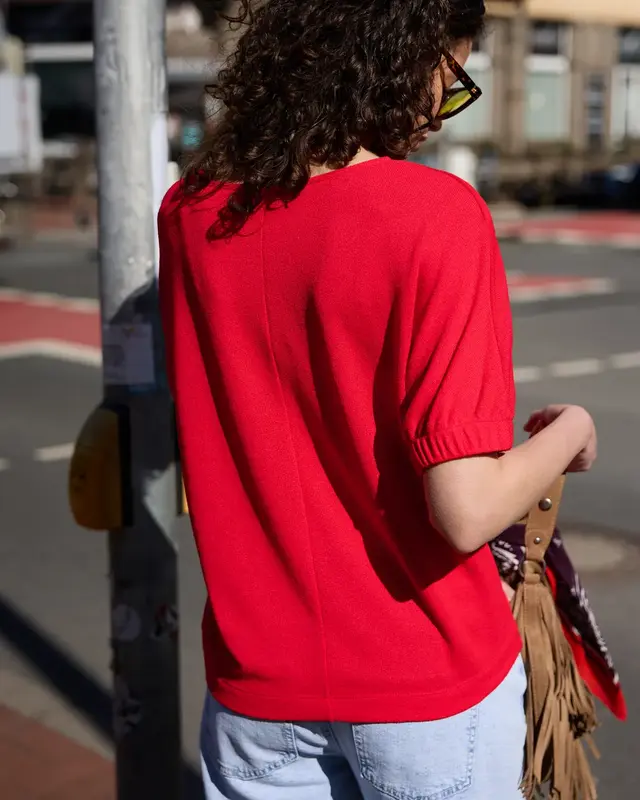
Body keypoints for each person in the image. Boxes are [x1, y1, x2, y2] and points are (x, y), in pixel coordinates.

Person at [158, 1, 598, 798]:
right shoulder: (435, 215)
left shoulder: (190, 214)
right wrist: (571, 430)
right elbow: (464, 510)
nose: (439, 107)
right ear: (395, 56)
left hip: (256, 689)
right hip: (424, 682)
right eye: (448, 76)